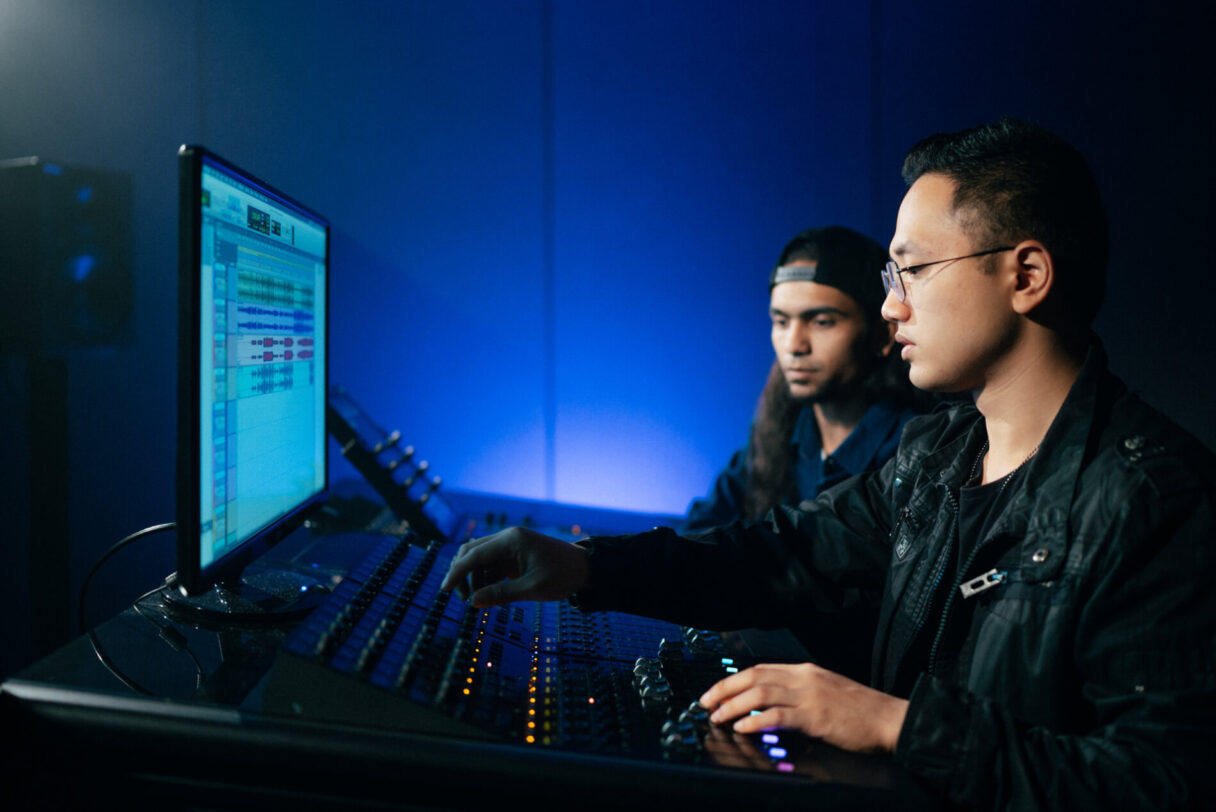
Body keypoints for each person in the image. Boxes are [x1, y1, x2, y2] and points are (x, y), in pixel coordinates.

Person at [441, 118, 1216, 810]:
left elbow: (1161, 782)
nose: (891, 306)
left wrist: (892, 724)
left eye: (912, 271)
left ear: (1026, 276)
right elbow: (782, 553)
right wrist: (585, 568)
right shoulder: (937, 454)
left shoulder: (1158, 500)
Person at [682, 225, 921, 535]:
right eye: (781, 322)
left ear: (882, 334)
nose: (794, 345)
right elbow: (697, 536)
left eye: (822, 322)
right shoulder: (777, 436)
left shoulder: (916, 449)